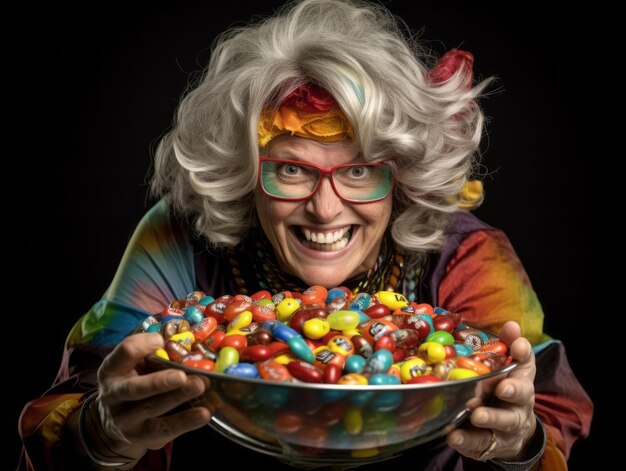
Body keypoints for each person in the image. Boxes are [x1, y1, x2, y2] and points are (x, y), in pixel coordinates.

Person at [17, 0, 593, 469]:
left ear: (403, 178)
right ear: (245, 172)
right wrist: (103, 432)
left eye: (361, 170)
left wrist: (521, 442)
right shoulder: (176, 235)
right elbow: (72, 407)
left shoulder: (467, 251)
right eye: (290, 168)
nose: (324, 207)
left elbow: (551, 420)